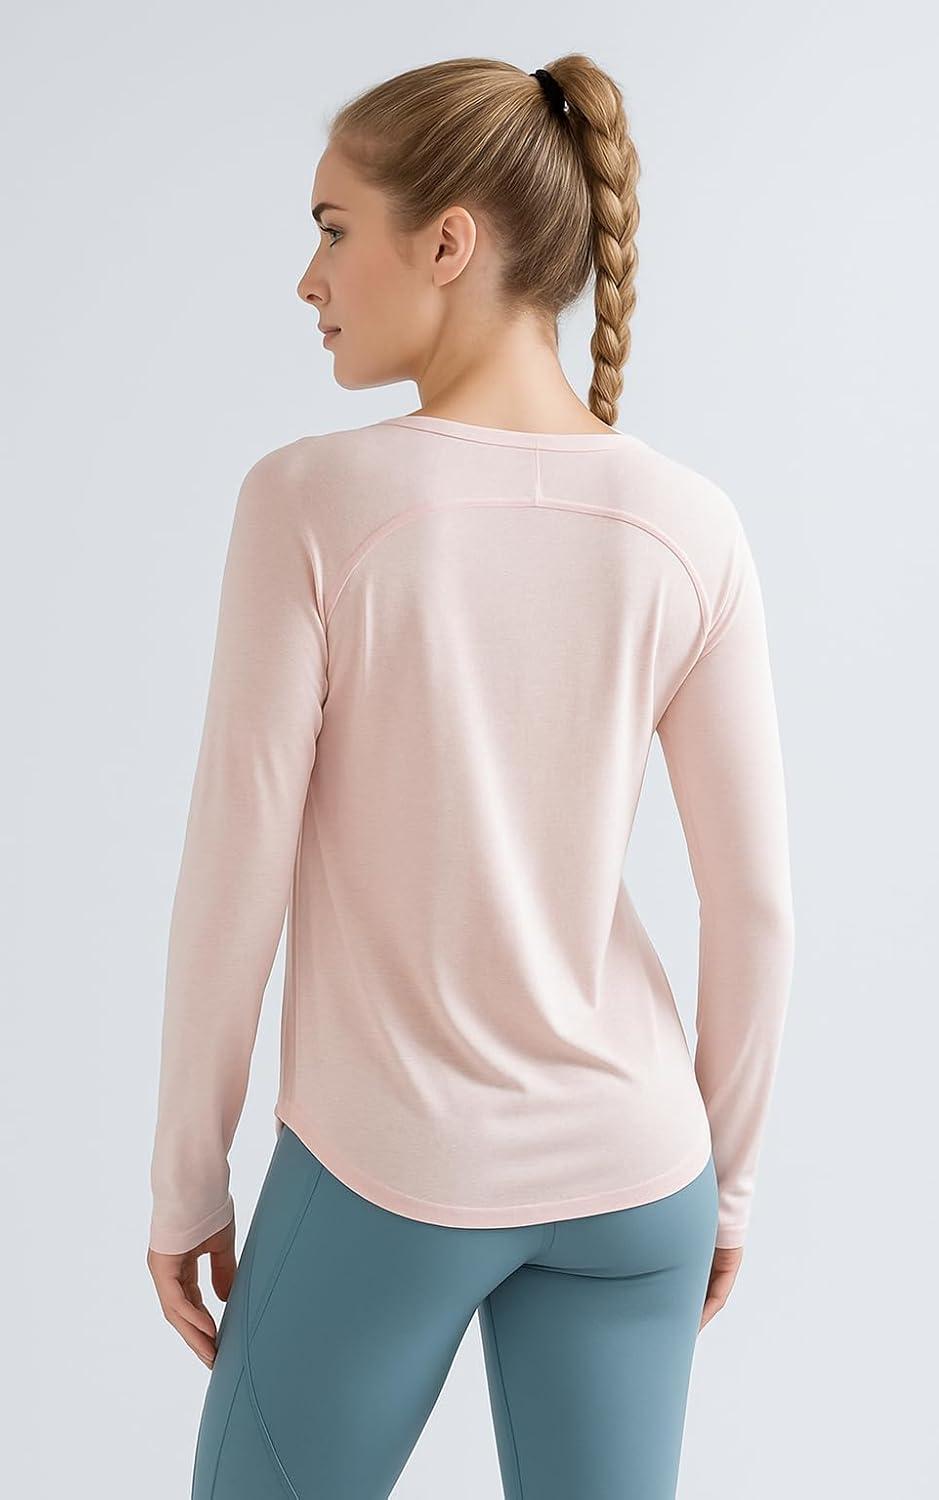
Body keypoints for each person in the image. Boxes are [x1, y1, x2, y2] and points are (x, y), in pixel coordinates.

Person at [146, 52, 795, 1500]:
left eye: (333, 229)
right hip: (639, 1174)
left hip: (390, 1168)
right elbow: (755, 906)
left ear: (449, 241)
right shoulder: (690, 522)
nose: (308, 279)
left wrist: (188, 1179)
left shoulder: (311, 500)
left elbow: (234, 873)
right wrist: (729, 1183)